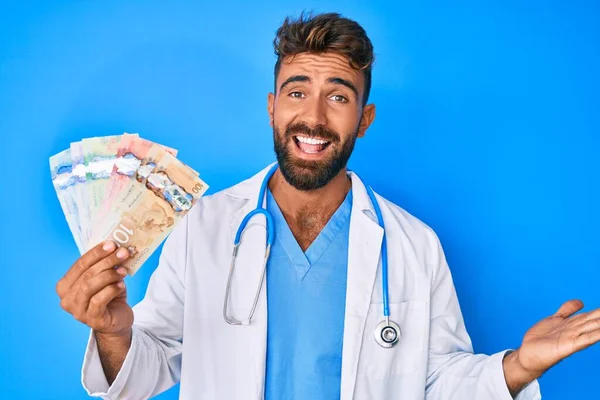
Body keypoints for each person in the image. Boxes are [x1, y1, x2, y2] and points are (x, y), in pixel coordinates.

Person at [56, 12, 600, 400]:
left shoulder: (414, 245)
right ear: (272, 109)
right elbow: (145, 370)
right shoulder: (205, 227)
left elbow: (440, 382)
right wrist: (111, 330)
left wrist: (518, 367)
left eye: (338, 96)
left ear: (364, 119)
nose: (313, 117)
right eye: (297, 92)